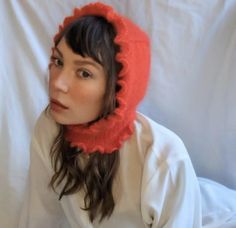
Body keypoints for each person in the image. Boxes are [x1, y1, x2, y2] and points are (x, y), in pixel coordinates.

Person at [18, 2, 202, 228]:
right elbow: (39, 218)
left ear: (119, 88)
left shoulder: (164, 158)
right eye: (58, 61)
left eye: (84, 72)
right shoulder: (50, 127)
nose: (57, 83)